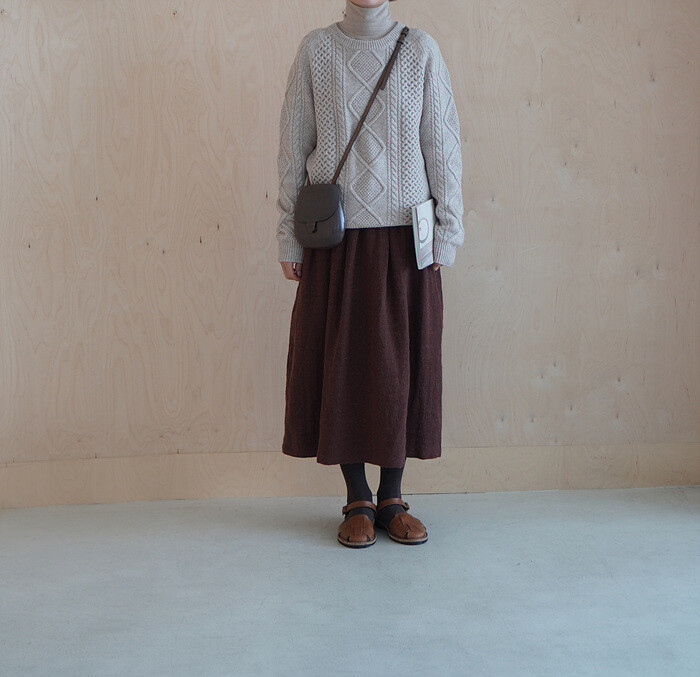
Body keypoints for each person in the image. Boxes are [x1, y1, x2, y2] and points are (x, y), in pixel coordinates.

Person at [276, 0, 464, 548]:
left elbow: (443, 143)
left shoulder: (420, 49)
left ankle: (393, 498)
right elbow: (292, 148)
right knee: (343, 368)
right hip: (336, 238)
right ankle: (357, 497)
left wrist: (448, 230)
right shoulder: (316, 50)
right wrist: (288, 235)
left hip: (406, 239)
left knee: (400, 369)